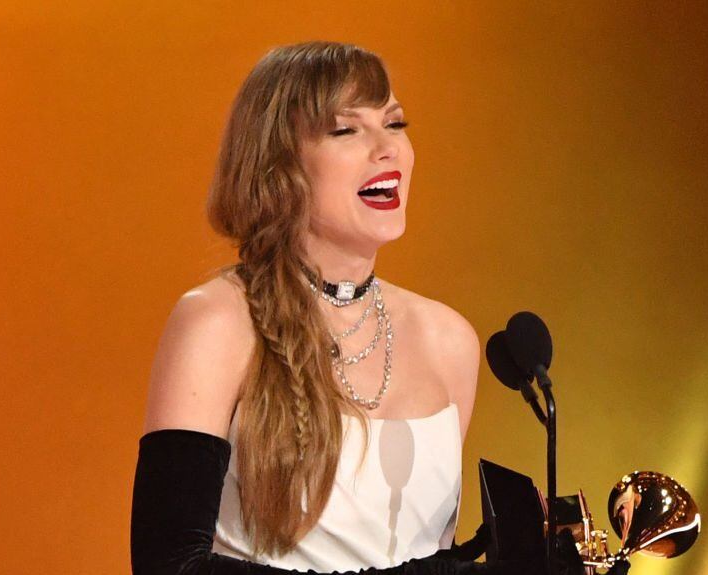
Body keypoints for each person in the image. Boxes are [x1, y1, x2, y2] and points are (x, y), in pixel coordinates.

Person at [130, 41, 495, 575]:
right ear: (279, 167)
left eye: (395, 124)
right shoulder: (217, 322)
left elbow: (409, 550)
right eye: (346, 130)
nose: (387, 148)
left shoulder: (449, 339)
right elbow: (168, 564)